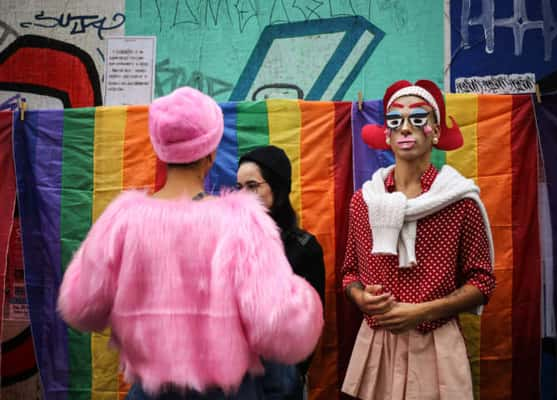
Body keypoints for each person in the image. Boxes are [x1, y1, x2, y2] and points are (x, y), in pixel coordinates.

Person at [57, 87, 324, 400]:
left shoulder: (123, 220)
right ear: (210, 152)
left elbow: (80, 307)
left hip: (151, 390)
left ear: (161, 150)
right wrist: (302, 299)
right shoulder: (241, 221)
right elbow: (283, 329)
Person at [341, 80, 496, 400]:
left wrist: (422, 311)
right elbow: (349, 274)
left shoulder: (459, 201)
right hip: (376, 346)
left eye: (418, 118)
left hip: (436, 345)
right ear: (386, 134)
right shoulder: (364, 201)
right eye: (396, 120)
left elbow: (482, 282)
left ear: (436, 132)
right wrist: (360, 298)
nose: (406, 128)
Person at [237, 145, 325, 400]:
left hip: (282, 378)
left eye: (252, 186)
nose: (243, 196)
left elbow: (313, 324)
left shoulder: (304, 248)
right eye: (239, 187)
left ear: (277, 187)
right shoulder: (229, 242)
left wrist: (292, 372)